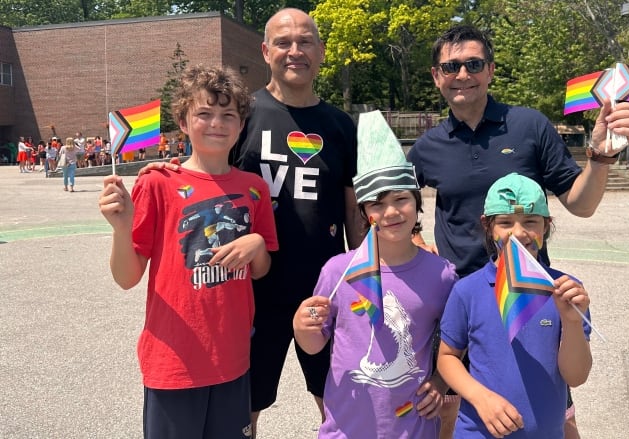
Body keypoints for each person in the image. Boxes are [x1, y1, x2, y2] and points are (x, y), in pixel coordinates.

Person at [137, 8, 363, 437]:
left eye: (305, 41)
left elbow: (352, 206)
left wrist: (364, 269)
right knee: (244, 410)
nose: (295, 51)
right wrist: (170, 172)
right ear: (265, 50)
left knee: (336, 400)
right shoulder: (243, 115)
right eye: (283, 42)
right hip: (253, 289)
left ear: (321, 50)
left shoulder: (339, 125)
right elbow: (209, 169)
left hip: (323, 288)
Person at [407, 25, 629, 438]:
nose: (462, 74)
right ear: (436, 76)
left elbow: (580, 204)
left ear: (490, 70)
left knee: (553, 412)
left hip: (530, 296)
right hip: (464, 295)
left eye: (473, 64)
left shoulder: (529, 126)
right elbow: (395, 206)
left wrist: (600, 157)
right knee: (453, 408)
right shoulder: (428, 147)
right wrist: (416, 241)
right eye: (451, 66)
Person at [97, 64, 278, 439]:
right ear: (183, 121)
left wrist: (257, 244)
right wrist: (121, 229)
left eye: (228, 115)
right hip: (173, 364)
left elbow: (260, 270)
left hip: (233, 361)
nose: (217, 123)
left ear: (241, 124)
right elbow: (126, 278)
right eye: (204, 113)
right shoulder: (157, 182)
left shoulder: (254, 188)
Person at [292, 111, 458, 438]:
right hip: (346, 428)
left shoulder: (442, 275)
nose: (391, 212)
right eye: (378, 204)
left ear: (417, 203)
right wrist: (301, 326)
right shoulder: (339, 270)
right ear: (366, 212)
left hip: (412, 427)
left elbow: (456, 340)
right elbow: (313, 344)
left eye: (401, 199)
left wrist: (439, 380)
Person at [436, 172, 592, 438]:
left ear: (546, 226)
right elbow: (448, 357)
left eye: (530, 221)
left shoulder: (565, 291)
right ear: (488, 226)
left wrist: (572, 321)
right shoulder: (468, 291)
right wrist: (480, 398)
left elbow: (576, 376)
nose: (519, 233)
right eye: (505, 222)